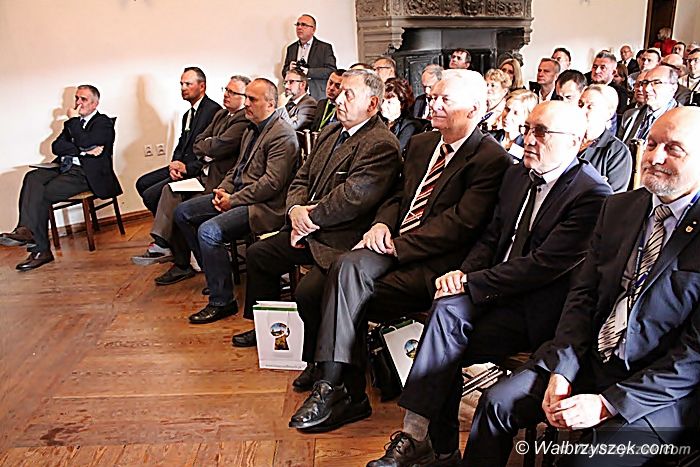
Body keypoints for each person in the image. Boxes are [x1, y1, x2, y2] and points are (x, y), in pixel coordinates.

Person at [367, 101, 612, 466]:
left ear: (576, 141)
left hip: (535, 313)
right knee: (445, 314)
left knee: (442, 346)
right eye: (527, 129)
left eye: (541, 132)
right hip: (494, 294)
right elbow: (492, 237)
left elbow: (540, 267)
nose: (528, 139)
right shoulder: (517, 174)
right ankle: (428, 441)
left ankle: (428, 443)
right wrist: (461, 274)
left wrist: (470, 281)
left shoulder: (592, 193)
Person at [462, 107, 700, 466]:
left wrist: (609, 404)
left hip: (658, 389)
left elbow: (693, 357)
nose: (654, 157)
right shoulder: (619, 208)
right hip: (591, 357)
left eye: (673, 149)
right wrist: (562, 370)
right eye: (651, 144)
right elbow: (582, 298)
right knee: (496, 404)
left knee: (583, 461)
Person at [288, 69, 512, 434]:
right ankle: (338, 387)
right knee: (320, 284)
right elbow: (397, 195)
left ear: (474, 109)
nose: (433, 105)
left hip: (436, 263)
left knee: (334, 285)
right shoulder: (423, 143)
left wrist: (396, 245)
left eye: (445, 100)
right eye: (433, 97)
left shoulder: (490, 158)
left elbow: (459, 225)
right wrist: (381, 224)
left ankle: (338, 389)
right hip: (391, 243)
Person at [231, 69, 402, 348]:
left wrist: (305, 218)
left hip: (341, 238)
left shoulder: (380, 143)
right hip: (308, 227)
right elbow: (301, 178)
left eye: (349, 95)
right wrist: (294, 210)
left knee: (308, 293)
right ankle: (266, 328)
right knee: (258, 254)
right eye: (340, 92)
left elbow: (350, 200)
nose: (339, 100)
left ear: (372, 104)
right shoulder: (331, 131)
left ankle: (314, 355)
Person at [166, 78, 299, 314]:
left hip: (263, 206)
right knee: (182, 212)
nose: (246, 103)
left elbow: (271, 184)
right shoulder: (251, 127)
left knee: (208, 231)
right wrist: (223, 189)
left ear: (270, 104)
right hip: (238, 195)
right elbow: (237, 169)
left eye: (252, 99)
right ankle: (217, 274)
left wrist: (232, 200)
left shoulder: (282, 134)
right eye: (246, 98)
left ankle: (222, 301)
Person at [131, 75, 251, 266]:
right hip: (203, 173)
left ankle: (195, 260)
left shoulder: (242, 119)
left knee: (179, 208)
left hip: (218, 180)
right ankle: (165, 246)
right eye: (226, 90)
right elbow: (198, 142)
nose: (226, 95)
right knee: (168, 190)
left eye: (233, 92)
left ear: (245, 98)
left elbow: (217, 147)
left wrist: (206, 149)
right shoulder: (221, 115)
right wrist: (200, 151)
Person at [0, 85, 121, 270]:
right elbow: (56, 147)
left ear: (95, 103)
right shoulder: (71, 125)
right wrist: (83, 150)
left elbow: (86, 140)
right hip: (64, 167)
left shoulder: (102, 123)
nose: (78, 103)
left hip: (86, 174)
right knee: (32, 177)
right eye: (77, 98)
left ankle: (40, 250)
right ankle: (25, 230)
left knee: (43, 194)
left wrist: (75, 126)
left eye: (83, 99)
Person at [134, 67, 221, 261]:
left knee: (152, 194)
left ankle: (169, 244)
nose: (183, 88)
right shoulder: (187, 114)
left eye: (188, 84)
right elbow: (182, 143)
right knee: (142, 183)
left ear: (202, 86)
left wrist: (187, 169)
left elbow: (208, 152)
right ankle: (169, 237)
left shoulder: (213, 111)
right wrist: (174, 163)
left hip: (194, 170)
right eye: (181, 84)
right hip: (182, 166)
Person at [578, 85, 633, 192]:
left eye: (590, 107)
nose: (581, 110)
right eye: (580, 104)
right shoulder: (564, 139)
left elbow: (614, 197)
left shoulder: (617, 152)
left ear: (609, 113)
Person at [619, 65, 679, 146]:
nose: (647, 89)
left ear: (673, 88)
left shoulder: (682, 120)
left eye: (656, 83)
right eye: (645, 83)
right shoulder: (630, 116)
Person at [282, 14, 337, 100]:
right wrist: (289, 68)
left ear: (313, 29)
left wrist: (308, 72)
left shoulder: (324, 48)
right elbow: (284, 73)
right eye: (298, 24)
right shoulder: (291, 48)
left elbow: (331, 71)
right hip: (295, 95)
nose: (299, 27)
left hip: (317, 95)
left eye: (303, 25)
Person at [490, 89, 538, 162]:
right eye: (507, 109)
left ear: (527, 117)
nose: (507, 117)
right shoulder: (490, 137)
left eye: (516, 113)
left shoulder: (528, 147)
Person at [380, 78, 424, 153]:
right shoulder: (378, 120)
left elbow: (396, 152)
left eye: (389, 102)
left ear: (402, 104)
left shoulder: (411, 126)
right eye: (382, 101)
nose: (383, 106)